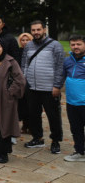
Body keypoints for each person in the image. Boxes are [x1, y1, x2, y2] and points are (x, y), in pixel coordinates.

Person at [22, 20, 66, 154]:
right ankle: (37, 138)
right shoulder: (28, 46)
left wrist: (57, 86)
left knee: (53, 116)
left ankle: (55, 141)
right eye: (33, 30)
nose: (36, 32)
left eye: (38, 30)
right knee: (33, 115)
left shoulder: (55, 46)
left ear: (44, 30)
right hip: (32, 88)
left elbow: (60, 67)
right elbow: (24, 64)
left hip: (49, 89)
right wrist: (25, 81)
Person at [64, 35, 85, 162]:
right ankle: (79, 152)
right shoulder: (67, 61)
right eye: (73, 44)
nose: (75, 47)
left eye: (78, 44)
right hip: (71, 102)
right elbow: (62, 76)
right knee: (76, 128)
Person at [17, 32, 33, 134]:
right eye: (23, 40)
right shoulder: (18, 52)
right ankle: (24, 124)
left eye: (27, 40)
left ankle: (31, 125)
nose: (25, 42)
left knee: (31, 105)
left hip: (32, 80)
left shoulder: (33, 51)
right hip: (20, 81)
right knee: (22, 105)